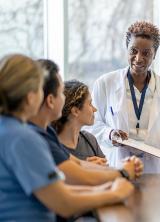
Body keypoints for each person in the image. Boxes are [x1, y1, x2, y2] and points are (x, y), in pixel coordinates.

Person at [0, 54, 133, 221]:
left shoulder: (8, 129)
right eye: (40, 90)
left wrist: (105, 189)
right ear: (30, 97)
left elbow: (58, 189)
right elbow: (63, 202)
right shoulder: (23, 138)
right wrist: (114, 193)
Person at [89, 21, 160, 172]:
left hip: (156, 169)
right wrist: (110, 134)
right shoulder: (105, 84)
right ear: (127, 50)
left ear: (154, 54)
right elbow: (92, 125)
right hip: (119, 165)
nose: (138, 58)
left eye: (146, 53)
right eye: (133, 51)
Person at [30, 59, 143, 186]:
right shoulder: (37, 139)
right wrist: (124, 173)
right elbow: (71, 186)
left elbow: (79, 166)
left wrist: (117, 169)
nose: (63, 99)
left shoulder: (50, 134)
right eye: (60, 94)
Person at [52, 79, 106, 165]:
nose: (95, 109)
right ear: (75, 111)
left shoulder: (89, 140)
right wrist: (88, 168)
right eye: (90, 104)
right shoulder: (52, 145)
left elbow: (108, 173)